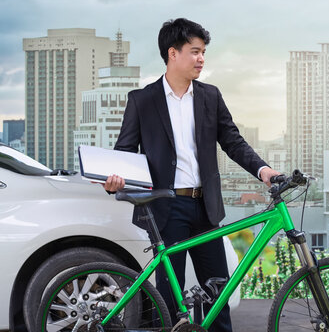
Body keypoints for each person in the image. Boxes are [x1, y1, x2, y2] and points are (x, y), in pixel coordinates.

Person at [103, 18, 279, 332]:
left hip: (205, 206)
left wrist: (263, 170)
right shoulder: (142, 101)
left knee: (218, 292)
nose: (201, 59)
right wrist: (116, 180)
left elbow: (232, 141)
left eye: (203, 52)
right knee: (169, 300)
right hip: (165, 208)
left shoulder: (210, 96)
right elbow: (125, 152)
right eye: (195, 51)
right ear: (173, 53)